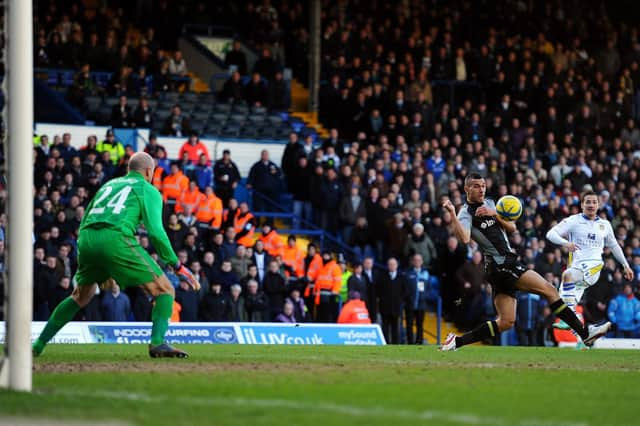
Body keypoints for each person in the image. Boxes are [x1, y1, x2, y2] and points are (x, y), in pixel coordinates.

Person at [33, 152, 199, 358]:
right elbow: (156, 232)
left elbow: (86, 217)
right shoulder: (148, 189)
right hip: (115, 239)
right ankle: (157, 342)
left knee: (80, 296)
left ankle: (38, 345)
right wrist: (177, 265)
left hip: (86, 238)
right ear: (149, 171)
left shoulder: (108, 185)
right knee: (165, 290)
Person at [440, 174, 611, 351]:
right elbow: (465, 238)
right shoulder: (465, 212)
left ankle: (456, 342)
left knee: (506, 322)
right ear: (467, 189)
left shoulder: (491, 204)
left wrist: (495, 214)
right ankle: (585, 334)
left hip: (498, 268)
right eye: (476, 186)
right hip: (502, 263)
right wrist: (452, 213)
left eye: (483, 185)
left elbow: (512, 227)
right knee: (550, 290)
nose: (481, 189)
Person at [546, 190, 634, 328]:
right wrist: (565, 243)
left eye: (594, 202)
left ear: (598, 205)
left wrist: (625, 265)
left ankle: (569, 319)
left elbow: (614, 246)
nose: (591, 205)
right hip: (577, 268)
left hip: (594, 267)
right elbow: (550, 234)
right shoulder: (573, 220)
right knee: (563, 300)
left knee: (567, 275)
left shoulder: (605, 225)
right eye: (588, 202)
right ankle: (583, 335)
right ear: (582, 205)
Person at [377, 257, 407, 344]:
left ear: (397, 265)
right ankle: (385, 344)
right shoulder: (382, 277)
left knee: (396, 328)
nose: (392, 266)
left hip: (396, 308)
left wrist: (400, 301)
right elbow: (378, 291)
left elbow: (405, 292)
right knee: (385, 328)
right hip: (385, 308)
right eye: (390, 264)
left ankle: (395, 345)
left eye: (393, 264)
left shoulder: (401, 277)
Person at [404, 253, 430, 344]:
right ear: (412, 261)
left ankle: (419, 341)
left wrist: (424, 296)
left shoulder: (425, 273)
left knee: (420, 325)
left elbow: (428, 288)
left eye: (419, 260)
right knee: (409, 325)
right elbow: (405, 288)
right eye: (415, 260)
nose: (417, 262)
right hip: (410, 304)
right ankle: (410, 342)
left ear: (422, 262)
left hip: (421, 304)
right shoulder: (407, 273)